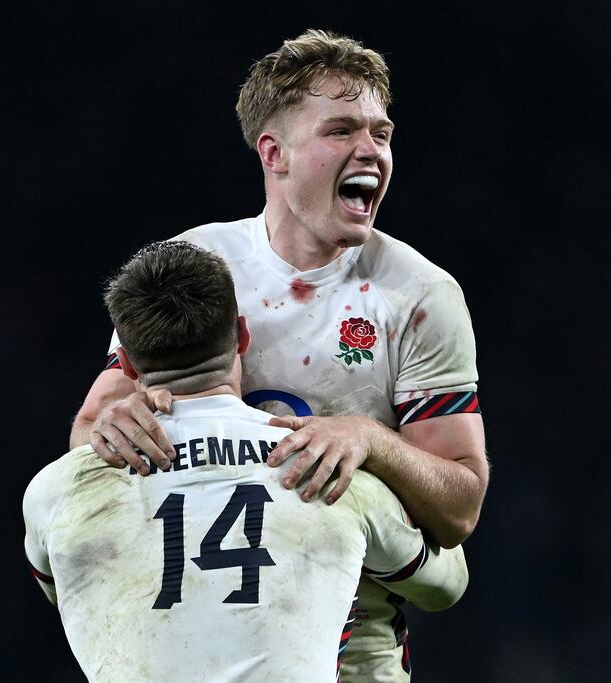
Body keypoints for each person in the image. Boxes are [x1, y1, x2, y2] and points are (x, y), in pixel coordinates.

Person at [70, 30, 489, 681]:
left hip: (352, 653)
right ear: (275, 153)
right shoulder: (197, 267)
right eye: (342, 129)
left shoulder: (419, 295)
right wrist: (108, 428)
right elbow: (88, 435)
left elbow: (460, 504)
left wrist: (370, 440)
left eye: (382, 132)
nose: (371, 150)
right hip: (198, 636)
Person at [25, 241, 469, 682]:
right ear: (242, 336)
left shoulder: (54, 494)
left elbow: (70, 588)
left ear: (125, 365)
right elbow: (445, 587)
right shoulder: (328, 472)